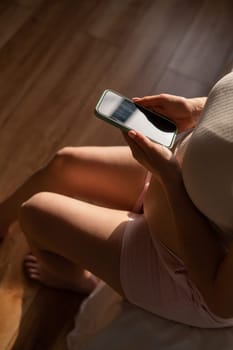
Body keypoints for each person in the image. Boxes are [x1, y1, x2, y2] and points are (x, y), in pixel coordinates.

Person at [0, 72, 232, 328]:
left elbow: (219, 300)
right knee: (65, 163)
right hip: (176, 181)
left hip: (183, 269)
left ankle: (80, 280)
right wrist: (198, 109)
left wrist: (171, 180)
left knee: (35, 213)